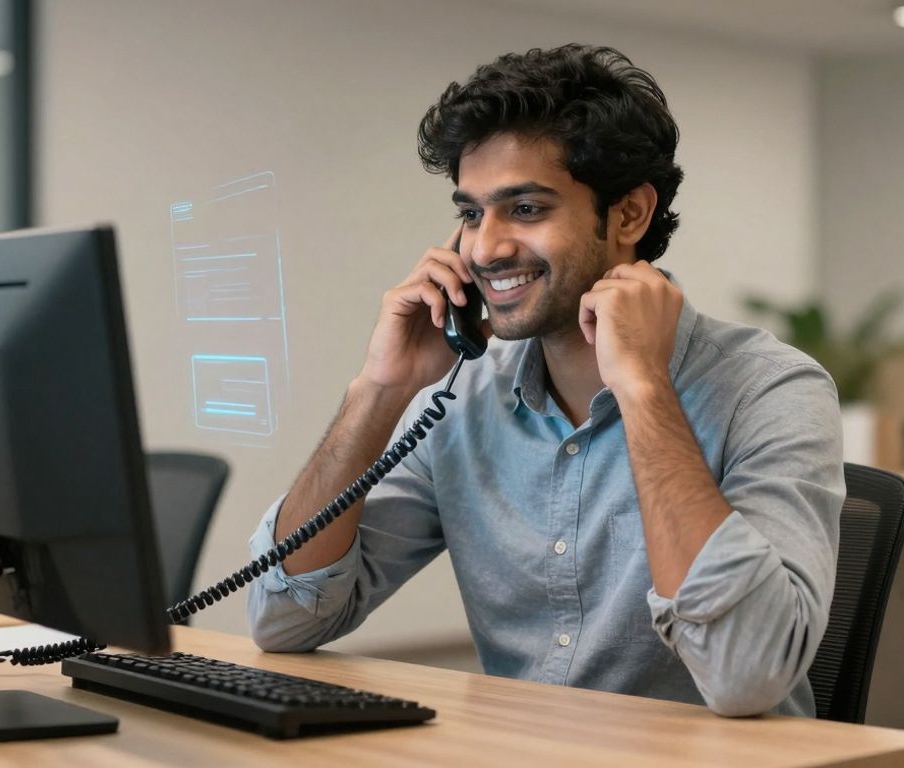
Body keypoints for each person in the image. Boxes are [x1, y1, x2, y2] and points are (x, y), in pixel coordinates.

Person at [246, 43, 843, 718]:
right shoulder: (465, 399)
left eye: (526, 209)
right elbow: (283, 618)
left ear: (629, 215)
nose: (484, 248)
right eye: (471, 213)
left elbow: (746, 676)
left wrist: (644, 389)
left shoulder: (771, 390)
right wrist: (380, 389)